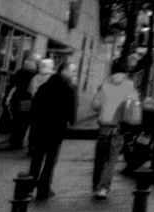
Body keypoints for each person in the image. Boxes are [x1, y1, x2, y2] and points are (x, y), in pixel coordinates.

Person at [27, 51, 81, 202]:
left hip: (40, 128)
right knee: (50, 161)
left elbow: (35, 105)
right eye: (72, 71)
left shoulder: (46, 86)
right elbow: (72, 111)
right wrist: (71, 120)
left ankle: (29, 187)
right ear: (64, 71)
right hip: (56, 130)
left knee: (37, 159)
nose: (74, 74)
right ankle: (43, 188)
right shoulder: (69, 88)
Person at [92, 57, 145, 202]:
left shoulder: (104, 84)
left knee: (100, 158)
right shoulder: (129, 86)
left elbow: (95, 105)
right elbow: (135, 107)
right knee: (111, 159)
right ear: (125, 71)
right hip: (119, 127)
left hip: (104, 126)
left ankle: (96, 185)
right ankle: (104, 188)